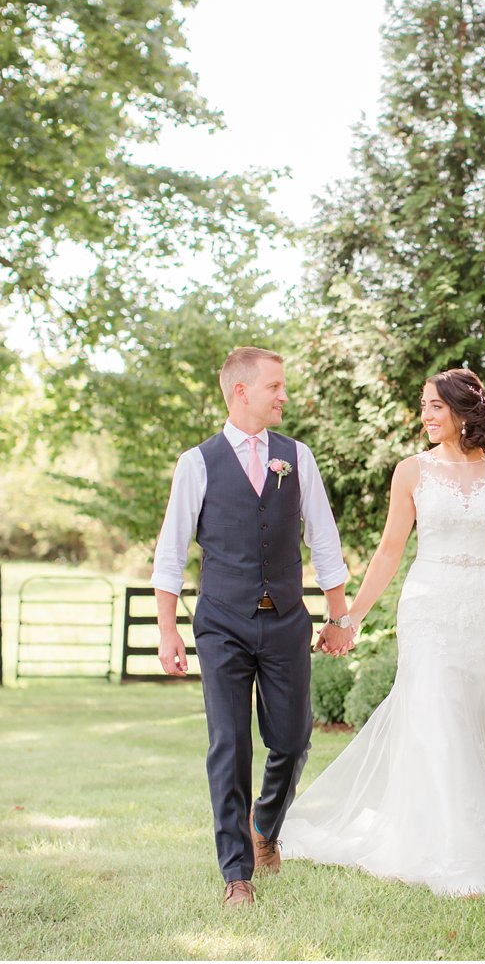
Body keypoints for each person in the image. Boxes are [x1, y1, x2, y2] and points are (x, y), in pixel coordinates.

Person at [278, 367, 485, 897]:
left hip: (483, 603)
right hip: (428, 605)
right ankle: (449, 843)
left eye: (435, 406)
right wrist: (350, 617)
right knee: (436, 710)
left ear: (463, 411)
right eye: (423, 406)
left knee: (476, 710)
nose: (426, 416)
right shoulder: (411, 472)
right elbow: (390, 550)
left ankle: (478, 826)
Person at [151, 346, 359, 909]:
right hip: (221, 623)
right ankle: (236, 872)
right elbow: (170, 554)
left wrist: (338, 617)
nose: (284, 396)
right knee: (230, 742)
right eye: (275, 386)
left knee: (292, 740)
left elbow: (325, 540)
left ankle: (265, 824)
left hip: (287, 619)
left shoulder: (298, 458)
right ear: (241, 391)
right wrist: (169, 630)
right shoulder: (197, 464)